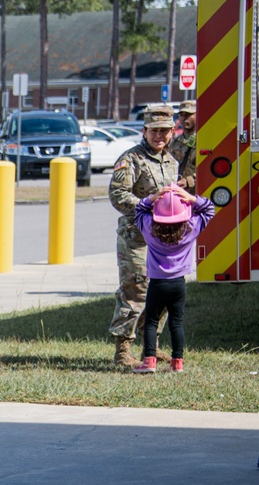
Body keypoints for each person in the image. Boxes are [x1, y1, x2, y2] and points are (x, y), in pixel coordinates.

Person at [107, 105, 180, 367]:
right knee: (135, 290)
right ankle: (122, 349)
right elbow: (117, 195)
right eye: (154, 131)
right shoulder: (132, 159)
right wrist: (146, 202)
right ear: (144, 131)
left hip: (164, 240)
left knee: (161, 291)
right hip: (135, 237)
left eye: (164, 131)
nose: (159, 136)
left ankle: (152, 345)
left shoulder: (171, 162)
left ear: (172, 131)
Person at [131, 185, 214, 373]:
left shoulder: (148, 227)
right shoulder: (191, 227)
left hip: (157, 283)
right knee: (176, 322)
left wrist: (152, 197)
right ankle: (177, 363)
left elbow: (138, 209)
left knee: (151, 320)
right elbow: (209, 208)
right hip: (178, 284)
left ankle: (149, 362)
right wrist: (190, 197)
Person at [169, 100, 197, 195]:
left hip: (197, 196)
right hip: (178, 196)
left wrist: (189, 180)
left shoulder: (204, 142)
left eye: (188, 115)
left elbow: (208, 170)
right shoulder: (175, 143)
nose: (184, 119)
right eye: (181, 115)